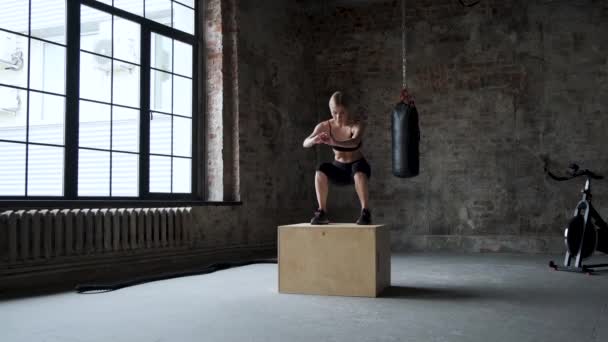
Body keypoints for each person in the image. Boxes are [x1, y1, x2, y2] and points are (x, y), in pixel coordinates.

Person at [303, 91, 372, 225]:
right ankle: (322, 212)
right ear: (331, 110)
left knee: (358, 170)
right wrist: (314, 140)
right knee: (321, 168)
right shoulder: (325, 126)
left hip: (358, 167)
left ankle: (366, 212)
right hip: (339, 169)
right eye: (335, 112)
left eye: (342, 113)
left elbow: (354, 142)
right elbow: (305, 143)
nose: (338, 117)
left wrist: (333, 142)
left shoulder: (357, 124)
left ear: (349, 111)